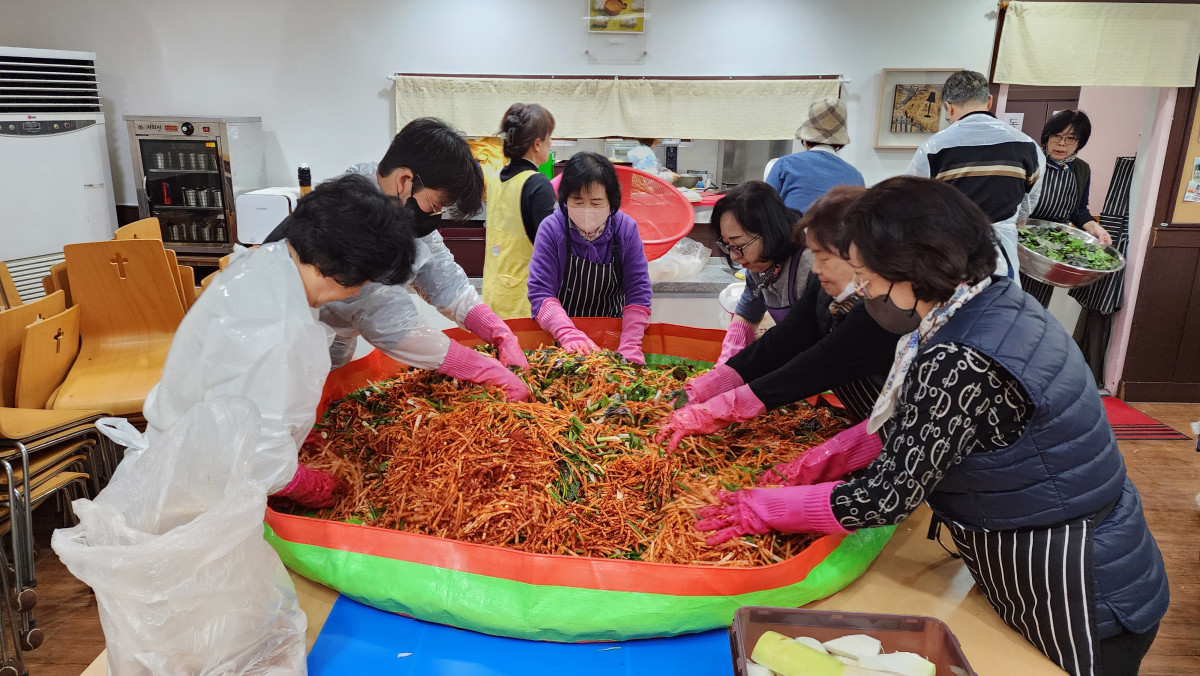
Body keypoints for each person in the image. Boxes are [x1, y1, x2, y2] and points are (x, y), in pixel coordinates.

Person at [693, 176, 1168, 676]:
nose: (863, 289)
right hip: (1075, 546)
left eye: (865, 274)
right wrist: (824, 459)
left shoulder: (960, 356)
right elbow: (921, 427)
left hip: (1078, 581)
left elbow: (885, 497)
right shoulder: (985, 301)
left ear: (911, 266)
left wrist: (761, 507)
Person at [142, 174, 417, 508]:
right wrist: (306, 484)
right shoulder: (279, 328)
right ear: (325, 264)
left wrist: (296, 426)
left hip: (182, 443)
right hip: (196, 486)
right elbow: (259, 462)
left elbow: (252, 394)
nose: (358, 291)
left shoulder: (271, 262)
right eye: (360, 282)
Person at [265, 117, 530, 402]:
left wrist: (495, 329)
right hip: (282, 345)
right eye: (436, 205)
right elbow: (389, 320)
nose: (435, 216)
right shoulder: (355, 217)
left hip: (325, 342)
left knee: (316, 400)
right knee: (285, 401)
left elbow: (440, 274)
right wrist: (478, 368)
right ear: (404, 180)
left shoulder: (397, 206)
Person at [656, 186, 904, 451]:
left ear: (862, 254)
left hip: (900, 432)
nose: (816, 268)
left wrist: (729, 406)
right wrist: (714, 383)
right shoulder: (825, 286)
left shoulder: (882, 309)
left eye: (823, 257)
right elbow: (788, 336)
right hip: (867, 421)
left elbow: (823, 362)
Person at [907, 70, 1043, 280]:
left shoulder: (933, 148)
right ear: (989, 101)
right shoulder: (1027, 145)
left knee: (953, 297)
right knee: (1000, 298)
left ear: (949, 107)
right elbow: (1029, 200)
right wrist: (1016, 219)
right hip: (1001, 251)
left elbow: (915, 202)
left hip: (952, 250)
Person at [527, 152, 652, 363]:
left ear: (611, 201)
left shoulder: (625, 229)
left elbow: (638, 292)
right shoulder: (552, 229)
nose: (586, 210)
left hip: (613, 338)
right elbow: (540, 292)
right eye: (577, 201)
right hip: (562, 340)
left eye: (596, 203)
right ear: (565, 199)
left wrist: (630, 344)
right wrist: (568, 333)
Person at [1019, 109, 1113, 306]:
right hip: (1019, 240)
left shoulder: (1081, 169)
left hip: (1051, 248)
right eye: (1056, 136)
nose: (1062, 143)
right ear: (1046, 137)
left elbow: (1079, 211)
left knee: (1035, 305)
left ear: (1080, 142)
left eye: (1070, 138)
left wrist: (1095, 228)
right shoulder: (1030, 160)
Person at [712, 181, 812, 366]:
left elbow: (809, 338)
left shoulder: (808, 264)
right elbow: (748, 313)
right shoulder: (758, 263)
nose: (734, 256)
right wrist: (726, 361)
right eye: (727, 245)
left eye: (739, 245)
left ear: (770, 232)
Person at [482, 103, 558, 319]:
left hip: (493, 296)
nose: (551, 142)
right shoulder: (537, 184)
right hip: (525, 303)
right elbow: (551, 248)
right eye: (549, 136)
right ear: (537, 144)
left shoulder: (495, 179)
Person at [766, 98, 865, 213]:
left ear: (805, 139)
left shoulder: (785, 165)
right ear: (839, 142)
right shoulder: (856, 177)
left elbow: (763, 209)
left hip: (794, 225)